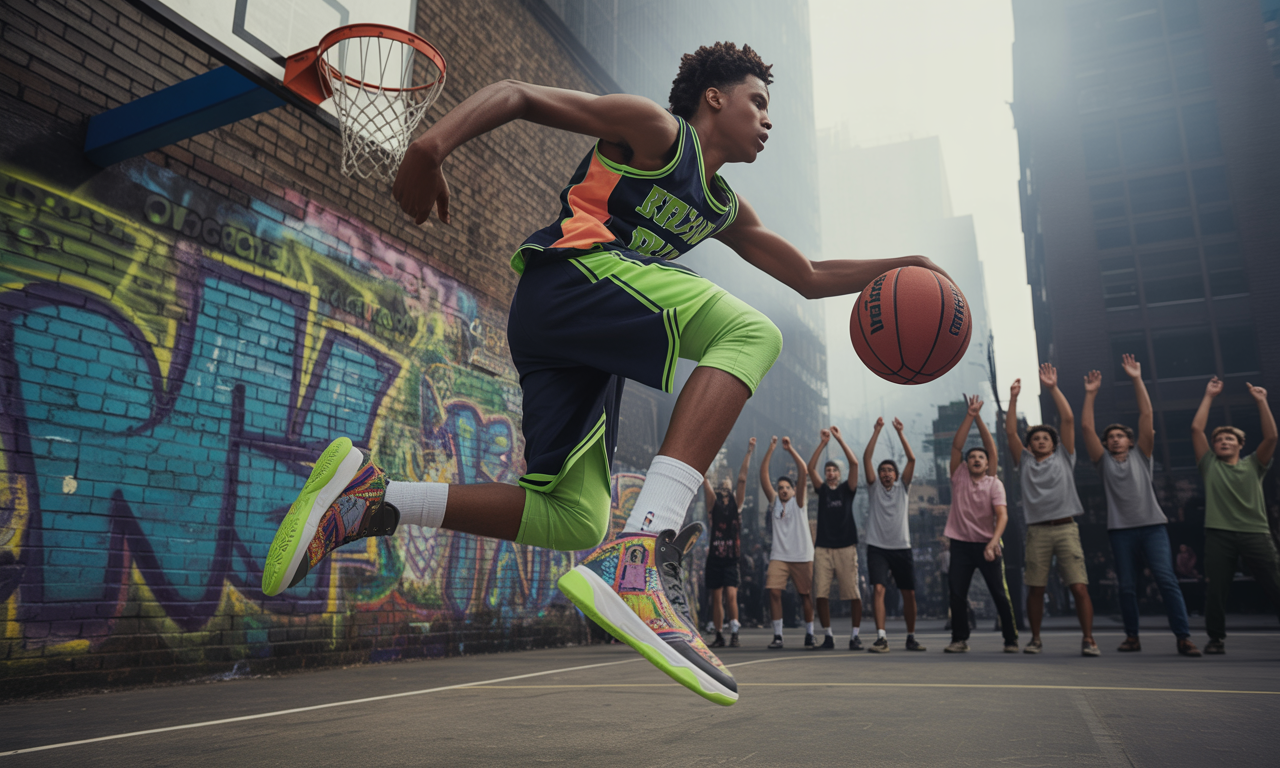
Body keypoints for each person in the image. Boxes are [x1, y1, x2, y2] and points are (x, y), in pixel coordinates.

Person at [259, 42, 951, 705]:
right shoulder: (656, 132)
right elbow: (519, 94)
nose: (769, 119)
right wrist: (429, 145)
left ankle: (371, 499)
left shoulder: (721, 205)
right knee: (748, 332)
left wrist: (905, 265)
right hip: (569, 279)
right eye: (759, 101)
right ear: (715, 97)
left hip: (579, 336)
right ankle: (644, 550)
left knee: (572, 517)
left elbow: (805, 275)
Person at [1082, 355, 1200, 656]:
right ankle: (1132, 637)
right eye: (1110, 437)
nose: (1115, 440)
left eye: (1120, 436)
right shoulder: (1103, 463)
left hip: (1152, 528)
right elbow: (1085, 428)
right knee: (1127, 586)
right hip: (1121, 531)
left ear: (1131, 442)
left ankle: (1183, 637)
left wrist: (1136, 378)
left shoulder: (1141, 456)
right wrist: (1091, 394)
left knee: (1166, 580)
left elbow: (1146, 414)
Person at [1006, 364, 1099, 657]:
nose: (1041, 440)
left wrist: (1052, 388)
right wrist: (1013, 399)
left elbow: (1069, 419)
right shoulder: (1024, 464)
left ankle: (1088, 639)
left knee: (1079, 587)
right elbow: (1010, 432)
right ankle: (1035, 639)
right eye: (1035, 438)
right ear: (1029, 446)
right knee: (1035, 588)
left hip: (1066, 527)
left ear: (1054, 443)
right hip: (1037, 531)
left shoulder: (1064, 458)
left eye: (1046, 437)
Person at [1191, 377, 1280, 654]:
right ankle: (1216, 638)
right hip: (1219, 534)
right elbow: (1196, 429)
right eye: (1218, 439)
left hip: (1256, 532)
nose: (1222, 442)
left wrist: (1261, 400)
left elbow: (1272, 437)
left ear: (1240, 444)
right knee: (1216, 589)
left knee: (1276, 584)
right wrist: (1209, 395)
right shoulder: (1209, 465)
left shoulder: (1255, 464)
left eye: (1229, 438)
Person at [943, 394, 1019, 654]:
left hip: (988, 543)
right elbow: (956, 447)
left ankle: (1010, 638)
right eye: (972, 457)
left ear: (988, 464)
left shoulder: (993, 483)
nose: (976, 459)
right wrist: (970, 415)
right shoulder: (959, 476)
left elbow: (1003, 516)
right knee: (957, 594)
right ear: (965, 463)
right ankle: (959, 639)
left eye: (981, 458)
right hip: (961, 545)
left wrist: (994, 541)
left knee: (999, 593)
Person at [863, 417, 925, 652]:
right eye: (883, 470)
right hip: (877, 547)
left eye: (890, 470)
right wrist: (877, 430)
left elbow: (912, 459)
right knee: (878, 589)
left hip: (901, 546)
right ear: (878, 475)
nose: (886, 473)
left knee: (908, 593)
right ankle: (881, 637)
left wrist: (900, 432)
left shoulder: (903, 488)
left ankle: (911, 636)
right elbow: (867, 458)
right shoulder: (873, 488)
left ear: (896, 475)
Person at [806, 427, 862, 650]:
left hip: (846, 547)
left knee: (853, 593)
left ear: (839, 474)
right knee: (820, 593)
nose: (830, 473)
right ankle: (828, 636)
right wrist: (823, 443)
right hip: (823, 548)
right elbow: (810, 468)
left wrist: (839, 439)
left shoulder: (848, 490)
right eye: (828, 470)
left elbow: (855, 464)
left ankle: (855, 635)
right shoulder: (822, 491)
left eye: (834, 470)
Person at [761, 436, 816, 649]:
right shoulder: (775, 503)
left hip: (802, 555)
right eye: (780, 487)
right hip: (779, 556)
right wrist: (771, 448)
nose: (783, 489)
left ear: (793, 491)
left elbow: (803, 471)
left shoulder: (799, 503)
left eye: (787, 487)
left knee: (805, 595)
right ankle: (778, 635)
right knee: (773, 591)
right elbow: (763, 474)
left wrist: (790, 449)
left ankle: (810, 633)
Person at [701, 437, 756, 647]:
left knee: (731, 595)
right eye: (721, 485)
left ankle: (734, 631)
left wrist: (749, 452)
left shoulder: (736, 506)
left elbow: (742, 478)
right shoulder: (712, 504)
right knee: (716, 597)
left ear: (731, 489)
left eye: (727, 484)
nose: (724, 486)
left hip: (731, 558)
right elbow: (704, 479)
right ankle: (718, 634)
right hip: (715, 559)